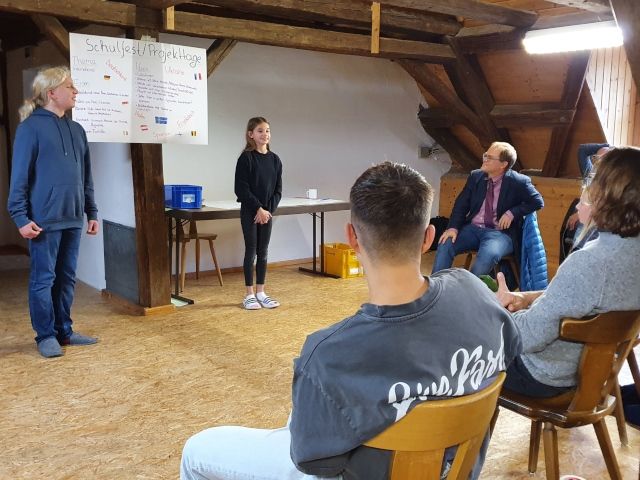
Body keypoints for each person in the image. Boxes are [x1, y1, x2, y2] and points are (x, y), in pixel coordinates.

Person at [181, 162, 522, 480]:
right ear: (428, 237)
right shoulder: (475, 292)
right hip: (454, 470)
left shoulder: (328, 354)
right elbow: (513, 355)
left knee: (197, 450)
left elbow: (310, 460)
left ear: (352, 237)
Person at [496, 147, 640, 398]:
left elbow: (527, 337)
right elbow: (585, 297)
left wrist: (494, 312)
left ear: (605, 194)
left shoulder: (590, 262)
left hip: (546, 376)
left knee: (461, 340)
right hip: (596, 375)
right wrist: (527, 298)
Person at [7, 66, 99, 359]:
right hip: (43, 221)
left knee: (66, 278)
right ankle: (45, 335)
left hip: (72, 218)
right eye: (70, 86)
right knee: (43, 280)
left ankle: (64, 331)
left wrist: (91, 211)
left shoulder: (77, 130)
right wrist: (20, 218)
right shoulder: (30, 128)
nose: (76, 91)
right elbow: (19, 178)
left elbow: (86, 177)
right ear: (52, 93)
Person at [432, 141, 543, 277]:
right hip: (472, 229)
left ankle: (469, 288)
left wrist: (512, 213)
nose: (485, 159)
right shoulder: (475, 176)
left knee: (489, 254)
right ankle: (435, 286)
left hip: (500, 233)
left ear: (503, 164)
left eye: (490, 158)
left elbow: (537, 201)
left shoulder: (519, 181)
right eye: (485, 155)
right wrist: (453, 228)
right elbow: (461, 204)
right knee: (446, 242)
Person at [234, 116, 283, 310]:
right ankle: (249, 294)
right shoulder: (246, 158)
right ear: (251, 134)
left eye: (267, 130)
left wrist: (267, 211)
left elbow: (278, 190)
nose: (265, 134)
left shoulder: (275, 160)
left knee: (263, 252)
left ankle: (261, 292)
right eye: (260, 131)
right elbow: (241, 189)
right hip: (250, 212)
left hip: (266, 214)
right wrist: (258, 209)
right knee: (251, 251)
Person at [561, 143, 611, 259]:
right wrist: (607, 146)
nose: (597, 161)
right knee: (572, 253)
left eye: (602, 159)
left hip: (593, 229)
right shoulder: (591, 174)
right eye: (596, 158)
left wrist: (579, 214)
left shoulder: (613, 184)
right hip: (582, 227)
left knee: (580, 253)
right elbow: (582, 150)